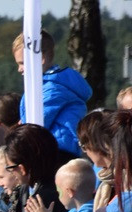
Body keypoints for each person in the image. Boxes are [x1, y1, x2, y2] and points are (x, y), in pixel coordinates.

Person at [12, 29, 91, 161]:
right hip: (52, 147)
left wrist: (20, 129)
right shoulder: (45, 86)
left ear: (41, 59)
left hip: (59, 150)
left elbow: (37, 122)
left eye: (22, 63)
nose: (19, 69)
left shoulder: (54, 89)